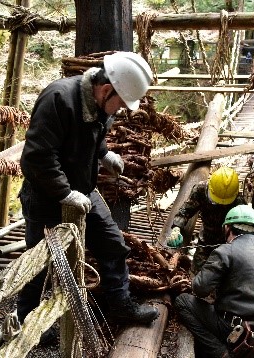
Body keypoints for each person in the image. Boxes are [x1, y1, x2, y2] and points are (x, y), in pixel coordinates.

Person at [17, 51, 159, 341]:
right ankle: (28, 321)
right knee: (38, 263)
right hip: (45, 195)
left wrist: (104, 154)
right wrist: (63, 193)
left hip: (82, 190)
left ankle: (120, 304)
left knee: (112, 244)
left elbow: (94, 134)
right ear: (106, 90)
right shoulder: (58, 99)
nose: (119, 110)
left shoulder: (99, 104)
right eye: (119, 103)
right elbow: (37, 157)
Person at [175, 205, 254, 358]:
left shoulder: (225, 251)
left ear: (227, 228)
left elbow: (200, 288)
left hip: (238, 328)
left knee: (183, 301)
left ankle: (221, 353)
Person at [167, 167, 245, 273]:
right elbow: (186, 210)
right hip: (206, 238)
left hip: (229, 242)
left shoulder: (239, 202)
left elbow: (245, 230)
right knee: (197, 272)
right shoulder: (200, 190)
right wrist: (177, 227)